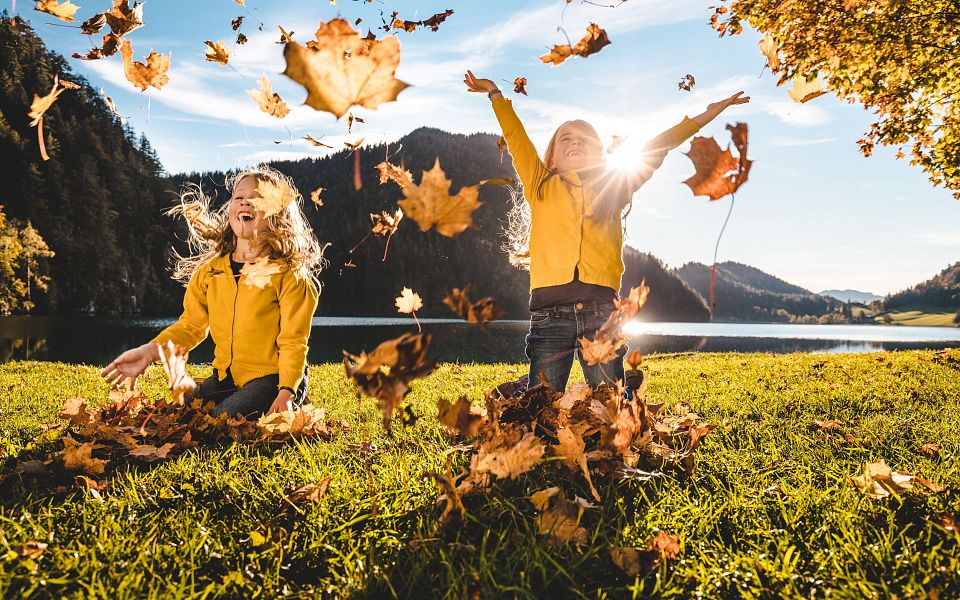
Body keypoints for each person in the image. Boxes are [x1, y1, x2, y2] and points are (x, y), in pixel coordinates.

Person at [464, 70, 749, 392]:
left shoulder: (615, 187)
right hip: (548, 313)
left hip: (601, 311)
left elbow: (658, 147)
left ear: (600, 154)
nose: (574, 143)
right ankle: (521, 390)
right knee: (542, 397)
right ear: (552, 158)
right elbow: (516, 138)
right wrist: (495, 95)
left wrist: (707, 114)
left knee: (607, 400)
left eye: (584, 140)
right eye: (565, 140)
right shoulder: (540, 183)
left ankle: (624, 390)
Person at [101, 165, 325, 417]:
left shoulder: (289, 276)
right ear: (230, 209)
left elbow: (293, 341)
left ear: (278, 214)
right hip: (226, 379)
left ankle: (292, 401)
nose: (245, 203)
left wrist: (287, 391)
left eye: (257, 199)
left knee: (220, 421)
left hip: (273, 379)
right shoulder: (211, 272)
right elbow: (190, 328)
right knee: (182, 413)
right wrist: (148, 351)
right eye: (239, 197)